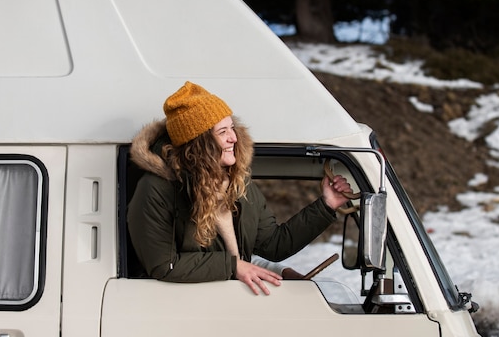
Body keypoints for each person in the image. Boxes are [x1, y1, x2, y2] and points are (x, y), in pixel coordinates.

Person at [127, 81, 353, 295]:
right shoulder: (157, 189)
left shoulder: (237, 183)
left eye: (232, 128)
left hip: (232, 304)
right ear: (198, 143)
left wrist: (326, 205)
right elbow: (164, 265)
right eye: (222, 132)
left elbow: (274, 244)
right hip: (181, 312)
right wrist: (233, 267)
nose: (233, 138)